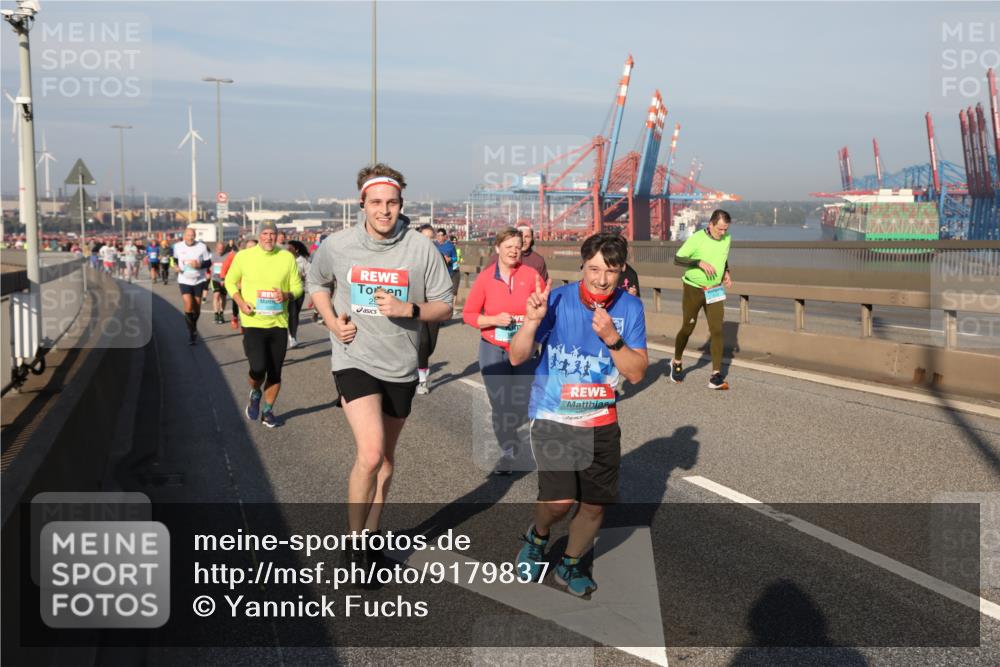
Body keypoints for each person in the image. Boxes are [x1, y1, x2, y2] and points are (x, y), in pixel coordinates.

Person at [307, 163, 452, 564]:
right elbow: (316, 282)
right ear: (362, 204)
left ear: (401, 204)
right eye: (376, 203)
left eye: (391, 203)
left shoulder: (420, 248)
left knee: (386, 461)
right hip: (354, 358)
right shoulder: (338, 245)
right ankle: (354, 545)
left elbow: (445, 304)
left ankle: (372, 533)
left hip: (401, 364)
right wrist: (333, 323)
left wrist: (411, 308)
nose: (384, 211)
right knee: (370, 454)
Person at [508, 231, 648, 597]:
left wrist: (612, 338)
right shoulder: (556, 300)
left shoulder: (630, 310)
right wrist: (532, 321)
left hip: (601, 421)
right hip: (554, 417)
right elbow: (517, 356)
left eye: (611, 271)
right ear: (582, 267)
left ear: (622, 272)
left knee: (593, 505)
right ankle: (537, 538)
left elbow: (635, 372)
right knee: (557, 503)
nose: (602, 279)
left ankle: (570, 563)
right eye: (594, 269)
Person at [462, 227, 540, 474]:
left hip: (524, 348)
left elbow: (543, 310)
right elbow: (469, 315)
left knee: (522, 400)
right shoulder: (486, 278)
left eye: (517, 246)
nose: (513, 251)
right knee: (499, 402)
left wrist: (536, 330)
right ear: (497, 249)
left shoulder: (531, 275)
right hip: (493, 347)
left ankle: (515, 426)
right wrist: (494, 320)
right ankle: (509, 450)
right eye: (508, 247)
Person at [225, 222, 302, 428]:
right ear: (259, 236)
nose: (269, 238)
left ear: (277, 236)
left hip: (278, 322)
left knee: (275, 373)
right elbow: (229, 282)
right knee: (258, 368)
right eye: (265, 234)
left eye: (273, 234)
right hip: (253, 321)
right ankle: (255, 392)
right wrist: (241, 302)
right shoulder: (244, 256)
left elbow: (298, 287)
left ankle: (268, 411)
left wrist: (286, 294)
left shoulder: (286, 257)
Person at [669, 209, 733, 389]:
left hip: (714, 290)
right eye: (719, 229)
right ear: (710, 224)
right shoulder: (697, 238)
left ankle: (716, 376)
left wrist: (726, 272)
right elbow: (677, 259)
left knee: (717, 329)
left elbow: (723, 257)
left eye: (725, 229)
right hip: (693, 289)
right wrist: (698, 262)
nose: (722, 233)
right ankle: (676, 361)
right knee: (688, 328)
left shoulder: (727, 238)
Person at [414, 225, 449, 394]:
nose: (428, 241)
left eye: (431, 238)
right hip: (417, 305)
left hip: (435, 305)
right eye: (424, 237)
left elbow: (445, 280)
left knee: (430, 346)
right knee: (423, 341)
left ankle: (419, 364)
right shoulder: (410, 256)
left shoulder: (438, 256)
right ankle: (422, 381)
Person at [173, 226, 213, 345]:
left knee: (197, 307)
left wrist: (199, 265)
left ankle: (193, 325)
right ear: (184, 236)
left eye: (192, 235)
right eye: (188, 235)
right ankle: (191, 331)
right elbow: (175, 259)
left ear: (195, 236)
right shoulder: (177, 246)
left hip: (198, 280)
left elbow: (208, 261)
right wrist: (175, 266)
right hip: (184, 279)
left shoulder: (202, 247)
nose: (190, 238)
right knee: (188, 303)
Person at [285, 240, 311, 348]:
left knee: (295, 315)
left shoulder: (303, 261)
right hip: (287, 292)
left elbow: (310, 275)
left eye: (290, 249)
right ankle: (291, 337)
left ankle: (292, 335)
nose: (287, 251)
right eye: (287, 249)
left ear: (296, 250)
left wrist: (303, 276)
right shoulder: (283, 260)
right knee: (292, 314)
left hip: (300, 292)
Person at [434, 228, 460, 314]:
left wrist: (450, 259)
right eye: (437, 235)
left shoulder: (450, 246)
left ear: (445, 236)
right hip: (437, 273)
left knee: (451, 291)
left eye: (441, 235)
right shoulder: (434, 245)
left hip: (449, 272)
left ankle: (451, 308)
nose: (439, 237)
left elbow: (455, 258)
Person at [210, 241, 229, 324]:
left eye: (222, 249)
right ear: (216, 248)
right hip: (215, 279)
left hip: (225, 279)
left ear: (224, 249)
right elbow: (208, 265)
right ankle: (216, 314)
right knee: (216, 294)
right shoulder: (212, 255)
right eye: (218, 249)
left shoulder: (228, 256)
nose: (220, 251)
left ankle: (221, 313)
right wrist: (208, 273)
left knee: (223, 297)